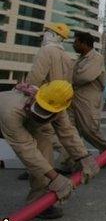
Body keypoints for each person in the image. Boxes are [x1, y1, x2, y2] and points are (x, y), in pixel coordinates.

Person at [0, 80, 99, 219]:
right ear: (37, 97)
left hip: (23, 122)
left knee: (44, 148)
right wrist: (55, 178)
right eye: (40, 108)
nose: (41, 113)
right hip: (6, 120)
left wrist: (84, 157)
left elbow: (67, 132)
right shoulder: (11, 111)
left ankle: (37, 203)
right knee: (33, 155)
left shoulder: (58, 107)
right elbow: (26, 150)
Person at [18, 23, 74, 179]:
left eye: (48, 32)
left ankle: (41, 172)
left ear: (55, 36)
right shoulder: (66, 56)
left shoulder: (46, 51)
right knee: (58, 133)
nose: (44, 35)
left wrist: (26, 94)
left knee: (41, 135)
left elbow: (35, 77)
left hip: (43, 101)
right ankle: (69, 157)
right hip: (59, 101)